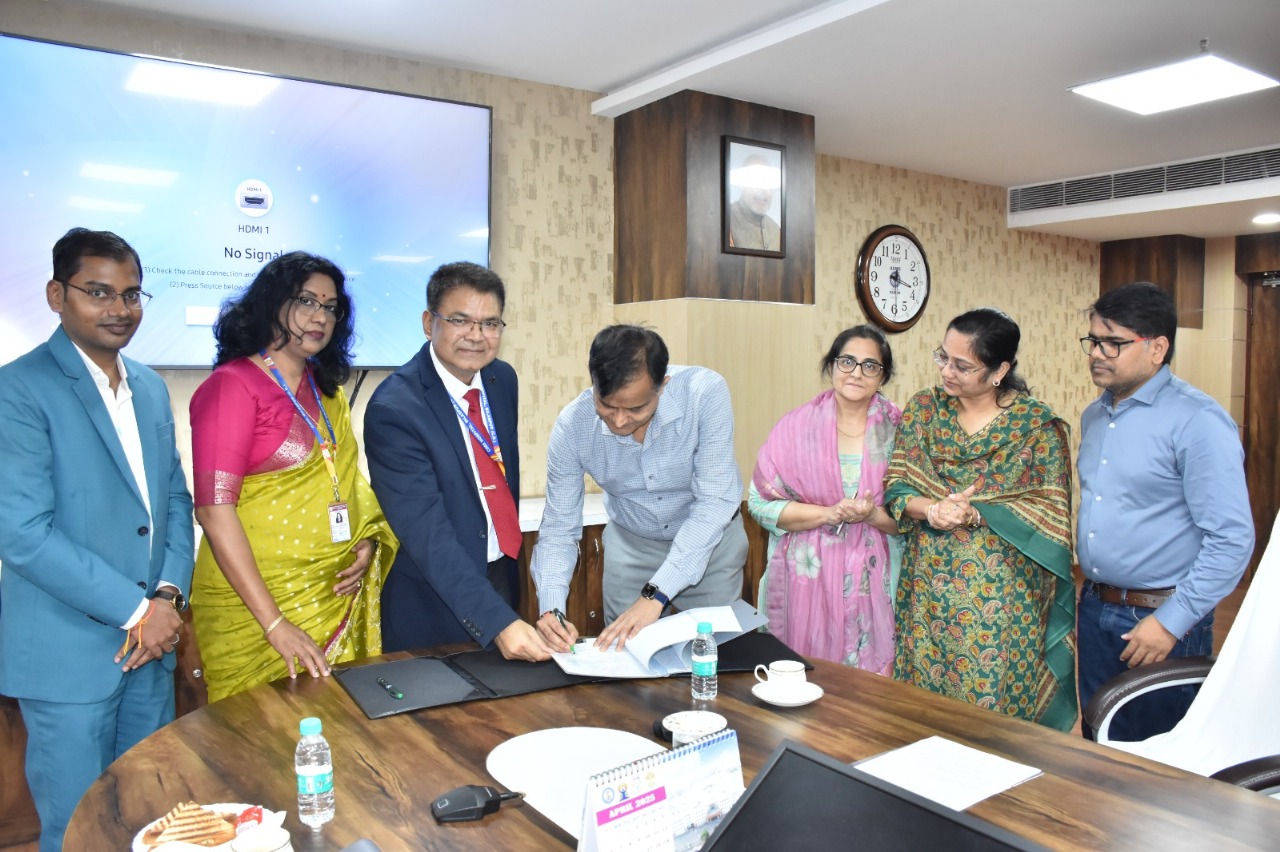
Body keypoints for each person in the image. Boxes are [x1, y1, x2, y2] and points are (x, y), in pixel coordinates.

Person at [0, 228, 192, 851]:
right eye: (99, 292)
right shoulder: (17, 389)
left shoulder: (150, 387)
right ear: (57, 295)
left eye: (132, 294)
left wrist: (167, 598)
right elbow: (21, 533)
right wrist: (137, 611)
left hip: (150, 651)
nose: (120, 309)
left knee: (152, 822)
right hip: (68, 657)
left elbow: (173, 502)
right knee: (77, 831)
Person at [190, 252, 397, 702]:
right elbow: (213, 511)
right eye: (306, 301)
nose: (319, 317)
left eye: (330, 307)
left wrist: (364, 541)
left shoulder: (327, 393)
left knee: (337, 728)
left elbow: (348, 484)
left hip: (330, 594)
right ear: (271, 303)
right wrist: (274, 623)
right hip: (254, 611)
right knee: (261, 734)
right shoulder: (232, 386)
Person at [1076, 282, 1253, 741]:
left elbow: (1232, 538)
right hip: (1095, 607)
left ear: (1157, 348)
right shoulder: (1095, 417)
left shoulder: (1197, 421)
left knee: (1156, 760)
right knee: (1100, 744)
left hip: (1160, 619)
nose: (1097, 353)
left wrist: (1171, 622)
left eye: (1113, 343)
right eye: (1093, 340)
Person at [886, 308, 1076, 731]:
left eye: (962, 365)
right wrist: (932, 509)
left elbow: (1049, 512)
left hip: (1004, 596)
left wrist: (977, 512)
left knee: (993, 713)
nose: (946, 371)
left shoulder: (1035, 428)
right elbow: (897, 485)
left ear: (999, 371)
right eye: (943, 357)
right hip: (927, 588)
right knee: (923, 707)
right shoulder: (924, 410)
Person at [364, 262, 551, 660]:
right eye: (460, 320)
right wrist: (495, 621)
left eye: (490, 323)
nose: (476, 336)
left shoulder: (502, 380)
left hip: (501, 578)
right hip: (432, 603)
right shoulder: (394, 408)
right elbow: (426, 533)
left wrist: (503, 609)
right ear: (428, 322)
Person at [532, 325, 747, 652]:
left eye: (635, 409)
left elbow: (714, 503)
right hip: (632, 546)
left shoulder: (704, 393)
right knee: (626, 657)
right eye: (607, 405)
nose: (619, 421)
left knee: (714, 654)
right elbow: (559, 528)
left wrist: (655, 595)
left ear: (663, 385)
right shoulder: (573, 426)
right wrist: (551, 608)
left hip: (711, 546)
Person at [749, 326, 903, 673]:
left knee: (872, 691)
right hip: (808, 580)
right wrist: (828, 513)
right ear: (832, 365)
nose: (856, 373)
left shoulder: (902, 432)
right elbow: (760, 503)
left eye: (870, 365)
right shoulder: (796, 428)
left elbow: (913, 517)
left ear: (883, 377)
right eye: (847, 361)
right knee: (805, 681)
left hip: (877, 581)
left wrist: (871, 515)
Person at [727, 153, 782, 251]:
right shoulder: (725, 219)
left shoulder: (777, 231)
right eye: (757, 182)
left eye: (768, 184)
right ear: (742, 185)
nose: (763, 191)